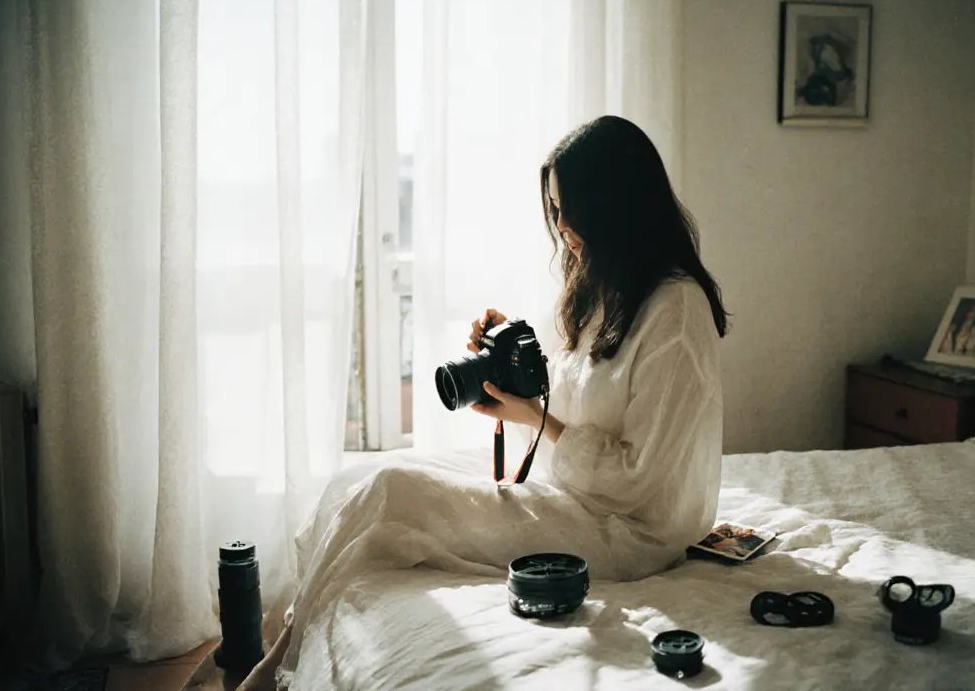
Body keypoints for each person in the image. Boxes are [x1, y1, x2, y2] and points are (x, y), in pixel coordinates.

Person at [239, 115, 729, 690]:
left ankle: (274, 670)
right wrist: (510, 359)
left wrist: (533, 419)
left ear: (616, 207)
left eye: (573, 209)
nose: (563, 226)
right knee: (357, 483)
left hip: (630, 531)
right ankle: (288, 648)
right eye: (554, 208)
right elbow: (572, 389)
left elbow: (636, 478)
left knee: (388, 495)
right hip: (568, 488)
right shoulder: (604, 281)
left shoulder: (675, 311)